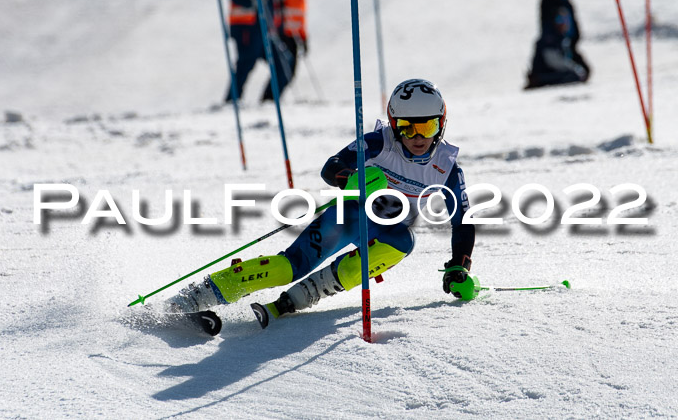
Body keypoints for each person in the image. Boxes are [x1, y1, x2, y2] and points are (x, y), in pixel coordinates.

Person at [168, 79, 476, 328]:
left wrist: (459, 267)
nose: (417, 137)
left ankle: (308, 293)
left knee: (404, 241)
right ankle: (198, 295)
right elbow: (331, 167)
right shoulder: (378, 143)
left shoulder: (447, 167)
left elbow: (462, 220)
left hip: (387, 233)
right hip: (349, 217)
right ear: (395, 124)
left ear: (442, 124)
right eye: (408, 127)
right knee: (291, 265)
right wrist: (350, 178)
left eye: (427, 127)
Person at [225, 0, 285, 102]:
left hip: (263, 28)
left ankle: (268, 100)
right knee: (246, 62)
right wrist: (252, 2)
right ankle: (232, 100)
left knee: (281, 61)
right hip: (245, 27)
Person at [262, 0, 308, 102]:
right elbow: (275, 4)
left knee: (291, 71)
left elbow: (299, 14)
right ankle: (268, 99)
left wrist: (303, 37)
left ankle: (273, 99)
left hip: (295, 34)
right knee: (282, 68)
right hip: (283, 33)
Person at [525, 7, 589, 89]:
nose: (562, 24)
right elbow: (554, 61)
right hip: (544, 73)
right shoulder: (548, 39)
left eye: (565, 20)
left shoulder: (562, 38)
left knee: (575, 76)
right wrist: (575, 69)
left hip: (555, 72)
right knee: (573, 76)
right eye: (559, 20)